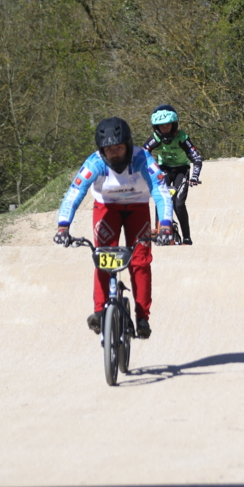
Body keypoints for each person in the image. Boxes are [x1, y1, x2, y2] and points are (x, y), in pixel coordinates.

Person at [54, 116, 174, 339]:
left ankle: (142, 317)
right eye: (109, 149)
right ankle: (100, 312)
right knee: (103, 257)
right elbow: (74, 193)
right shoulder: (95, 163)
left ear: (128, 144)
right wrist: (63, 226)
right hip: (106, 208)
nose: (115, 153)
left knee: (140, 261)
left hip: (138, 206)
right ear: (102, 150)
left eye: (119, 147)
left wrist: (165, 224)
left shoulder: (142, 159)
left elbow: (160, 190)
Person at [143, 106, 202, 245]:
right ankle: (160, 231)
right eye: (161, 126)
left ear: (174, 125)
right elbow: (142, 156)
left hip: (182, 170)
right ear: (156, 128)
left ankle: (186, 237)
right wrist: (147, 174)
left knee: (178, 203)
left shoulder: (182, 137)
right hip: (164, 169)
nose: (165, 129)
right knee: (161, 198)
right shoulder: (155, 138)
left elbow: (196, 158)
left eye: (168, 125)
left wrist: (194, 176)